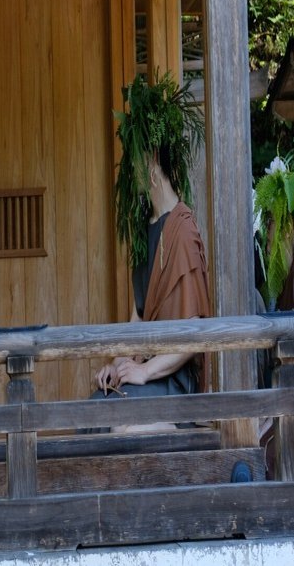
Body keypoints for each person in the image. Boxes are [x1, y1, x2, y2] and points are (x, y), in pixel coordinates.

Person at [91, 144, 211, 427]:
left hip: (174, 378)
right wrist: (116, 363)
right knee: (92, 411)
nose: (131, 171)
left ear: (153, 161)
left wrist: (145, 371)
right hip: (145, 369)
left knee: (117, 421)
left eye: (134, 161)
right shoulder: (147, 230)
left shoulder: (182, 230)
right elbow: (139, 316)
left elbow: (194, 335)